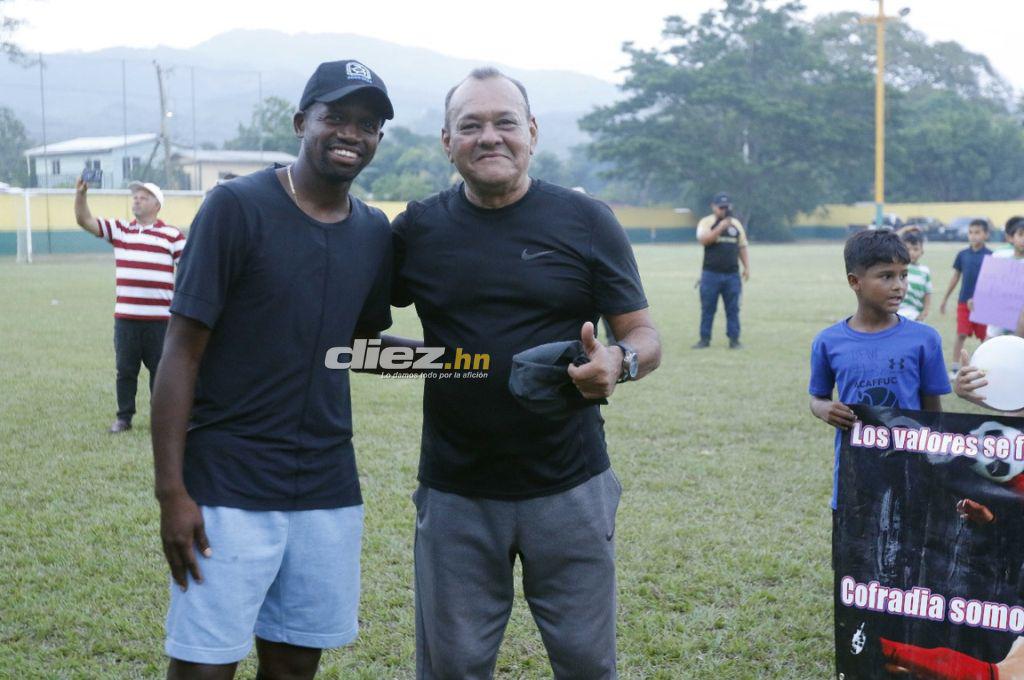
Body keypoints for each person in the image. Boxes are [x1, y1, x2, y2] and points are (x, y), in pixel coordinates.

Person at [392, 67, 661, 680]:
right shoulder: (418, 229)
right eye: (471, 125)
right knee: (452, 669)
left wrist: (619, 364)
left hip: (570, 487)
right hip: (456, 491)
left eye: (505, 122)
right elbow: (354, 335)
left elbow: (643, 335)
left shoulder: (587, 220)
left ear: (532, 132)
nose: (490, 137)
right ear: (446, 141)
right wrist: (451, 364)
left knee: (588, 665)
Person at [150, 60, 395, 679]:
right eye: (335, 116)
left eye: (367, 124)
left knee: (293, 665)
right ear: (300, 122)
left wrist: (472, 362)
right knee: (205, 665)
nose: (351, 133)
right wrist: (172, 493)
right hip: (229, 484)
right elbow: (180, 352)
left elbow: (356, 343)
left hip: (327, 489)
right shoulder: (236, 206)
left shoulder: (371, 231)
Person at [809, 229, 950, 511]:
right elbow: (818, 397)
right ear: (855, 281)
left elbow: (933, 413)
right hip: (856, 472)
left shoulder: (925, 339)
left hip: (910, 468)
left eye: (903, 275)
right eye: (886, 276)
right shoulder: (828, 342)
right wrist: (824, 409)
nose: (899, 286)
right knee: (855, 550)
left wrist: (933, 462)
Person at [73, 177, 184, 433]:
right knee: (125, 370)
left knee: (161, 372)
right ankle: (124, 418)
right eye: (135, 196)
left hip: (160, 321)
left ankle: (163, 419)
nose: (136, 199)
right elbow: (84, 221)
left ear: (157, 205)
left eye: (143, 196)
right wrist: (80, 196)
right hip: (126, 319)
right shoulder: (121, 230)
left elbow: (189, 268)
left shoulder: (172, 235)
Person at [692, 192, 750, 349]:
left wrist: (747, 267)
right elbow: (704, 240)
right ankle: (704, 339)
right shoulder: (706, 222)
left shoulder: (736, 224)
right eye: (720, 207)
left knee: (733, 309)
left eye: (726, 207)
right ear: (713, 206)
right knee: (708, 308)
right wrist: (721, 227)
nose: (724, 210)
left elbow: (742, 246)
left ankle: (734, 340)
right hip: (710, 274)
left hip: (732, 275)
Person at [939, 219, 992, 373]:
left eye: (977, 232)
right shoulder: (962, 255)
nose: (973, 236)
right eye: (970, 232)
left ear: (986, 234)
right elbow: (955, 277)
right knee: (961, 334)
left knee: (985, 338)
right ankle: (955, 368)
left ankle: (986, 367)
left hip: (983, 305)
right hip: (963, 303)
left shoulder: (991, 256)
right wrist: (945, 299)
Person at [984, 216, 1024, 338]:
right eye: (1021, 234)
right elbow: (988, 284)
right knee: (990, 343)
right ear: (1011, 238)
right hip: (1000, 311)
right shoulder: (999, 256)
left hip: (1021, 317)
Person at [897, 229, 932, 322]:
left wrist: (925, 312)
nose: (911, 252)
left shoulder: (925, 271)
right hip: (898, 312)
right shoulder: (898, 267)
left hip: (916, 314)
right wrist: (907, 228)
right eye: (908, 249)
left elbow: (927, 293)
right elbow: (893, 239)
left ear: (922, 251)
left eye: (915, 249)